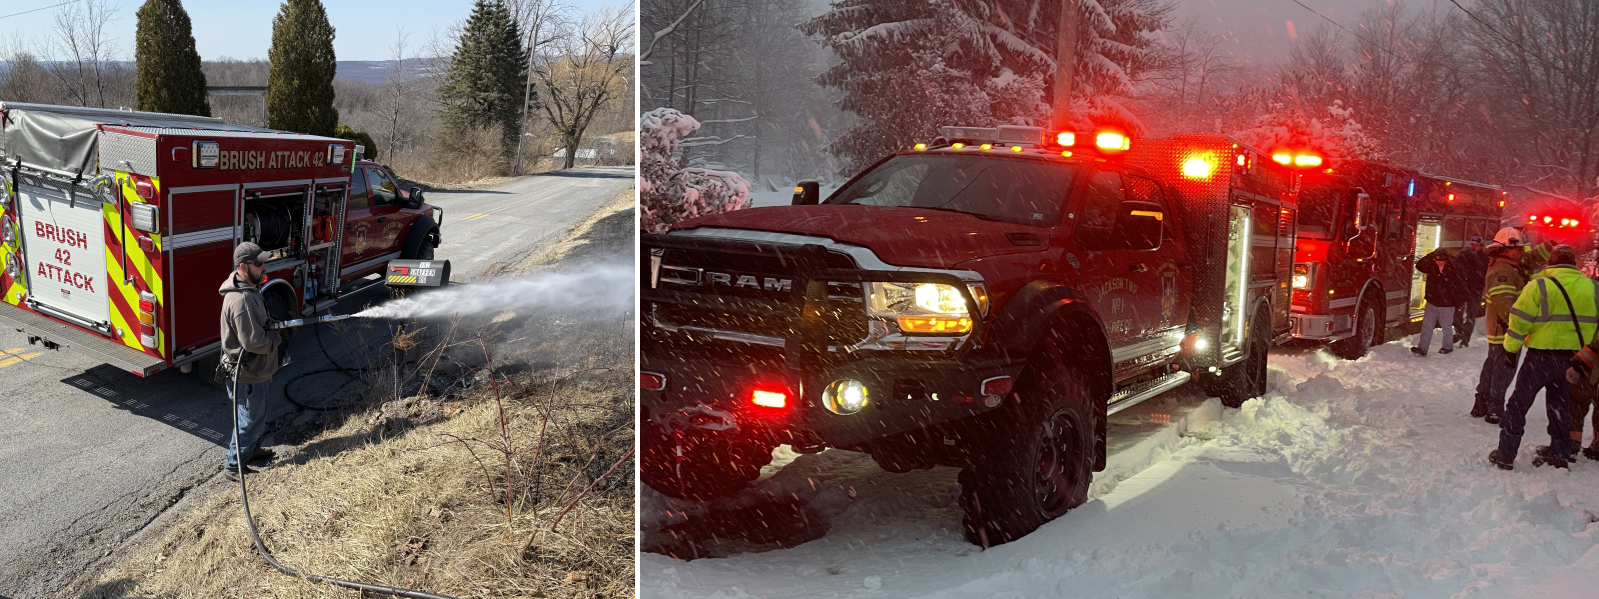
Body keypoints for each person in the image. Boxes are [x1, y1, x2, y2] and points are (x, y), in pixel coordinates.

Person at [1488, 244, 1596, 470]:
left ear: (1551, 262)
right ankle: (1560, 452)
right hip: (1573, 361)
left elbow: (1519, 321)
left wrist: (1510, 349)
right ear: (1573, 262)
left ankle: (1506, 453)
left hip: (1540, 358)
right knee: (1561, 406)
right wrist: (1587, 356)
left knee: (1519, 404)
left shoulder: (1538, 286)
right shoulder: (1593, 288)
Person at [219, 242, 287, 479]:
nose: (264, 267)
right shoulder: (242, 300)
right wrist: (276, 338)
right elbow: (253, 342)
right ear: (243, 267)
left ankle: (252, 450)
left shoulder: (249, 287)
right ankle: (234, 465)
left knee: (258, 415)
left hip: (258, 370)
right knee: (248, 421)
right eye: (259, 264)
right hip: (248, 373)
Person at [1473, 229, 1530, 424]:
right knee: (1503, 371)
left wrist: (1549, 246)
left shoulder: (1508, 266)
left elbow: (1530, 260)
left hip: (1501, 329)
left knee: (1493, 366)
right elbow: (1506, 305)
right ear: (1506, 249)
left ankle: (1481, 404)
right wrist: (1518, 326)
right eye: (1518, 249)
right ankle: (1494, 409)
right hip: (1505, 330)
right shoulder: (1502, 272)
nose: (1521, 253)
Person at [1413, 248, 1464, 356]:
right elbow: (1419, 265)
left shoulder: (1454, 268)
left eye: (1442, 260)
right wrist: (1431, 255)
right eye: (1437, 260)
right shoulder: (1432, 266)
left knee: (1446, 327)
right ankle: (1422, 348)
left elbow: (1460, 286)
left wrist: (1457, 303)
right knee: (1427, 326)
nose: (1439, 262)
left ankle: (1447, 346)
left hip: (1447, 304)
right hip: (1432, 302)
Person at [1454, 236, 1489, 347]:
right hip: (1463, 289)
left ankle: (1465, 339)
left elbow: (1485, 274)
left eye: (1476, 245)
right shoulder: (1464, 255)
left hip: (1475, 291)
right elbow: (1456, 268)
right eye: (1472, 244)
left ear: (1481, 246)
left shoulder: (1484, 258)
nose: (1474, 247)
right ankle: (1459, 331)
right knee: (1456, 312)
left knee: (1471, 316)